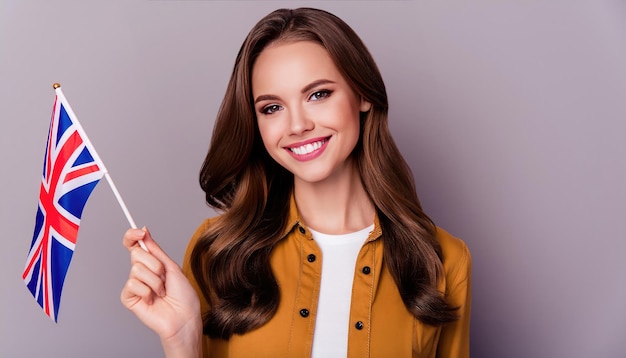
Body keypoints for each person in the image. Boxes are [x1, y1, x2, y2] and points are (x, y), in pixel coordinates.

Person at [121, 7, 471, 358]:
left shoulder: (443, 260)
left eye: (318, 94)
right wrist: (183, 341)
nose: (297, 125)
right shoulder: (218, 253)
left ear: (363, 94)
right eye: (272, 108)